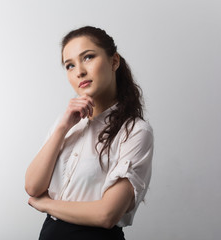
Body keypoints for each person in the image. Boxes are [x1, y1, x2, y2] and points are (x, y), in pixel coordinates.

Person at [25, 26, 154, 240]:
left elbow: (107, 214)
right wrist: (61, 128)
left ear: (114, 61)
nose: (79, 71)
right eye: (69, 65)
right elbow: (33, 186)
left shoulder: (135, 132)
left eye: (88, 57)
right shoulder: (66, 123)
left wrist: (46, 204)